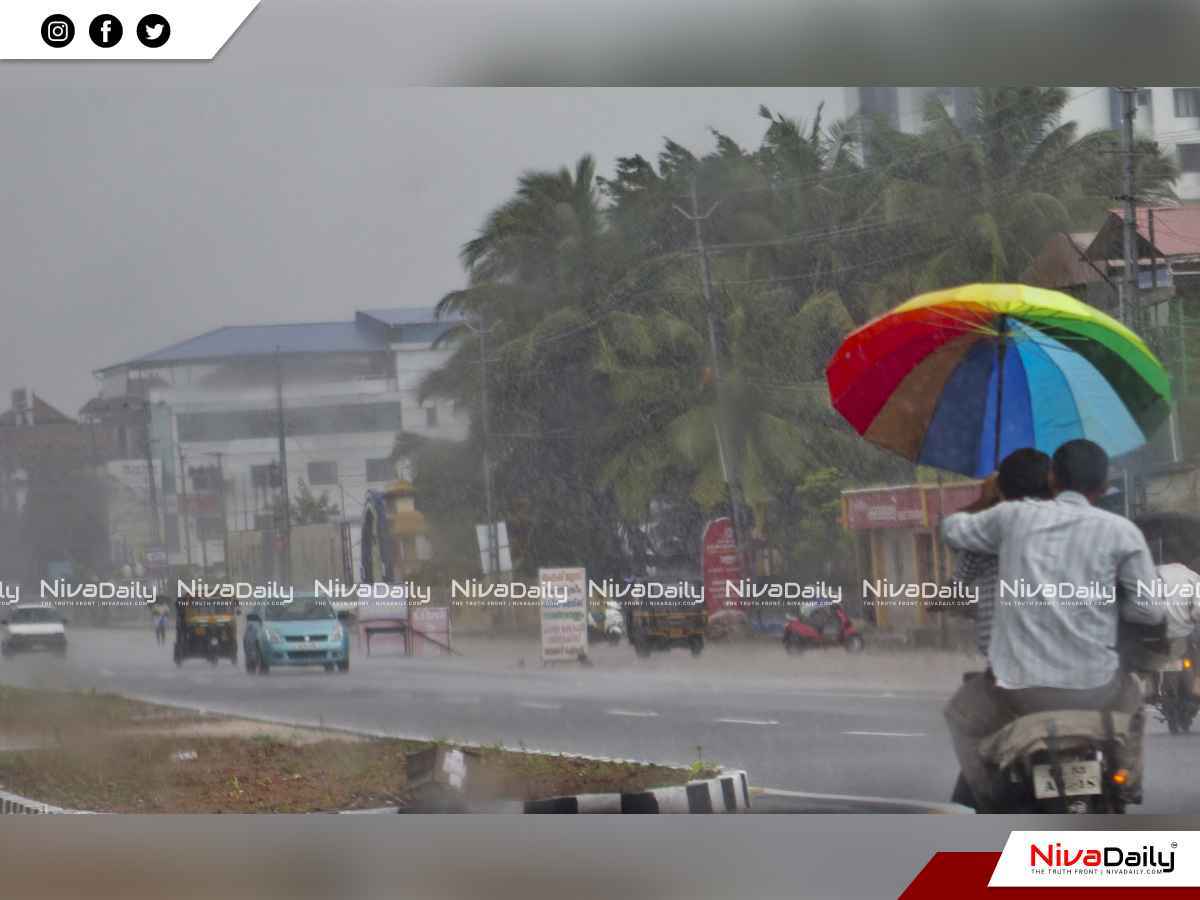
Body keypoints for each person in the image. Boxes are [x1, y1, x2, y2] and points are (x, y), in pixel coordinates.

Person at [941, 439, 1164, 810]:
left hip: (1020, 690)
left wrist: (988, 498)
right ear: (1103, 486)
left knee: (960, 715)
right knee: (1135, 703)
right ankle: (1127, 783)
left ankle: (990, 798)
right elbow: (1150, 611)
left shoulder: (1012, 518)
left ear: (1053, 477)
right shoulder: (1123, 532)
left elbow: (952, 529)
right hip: (1097, 688)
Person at [953, 448, 1054, 659]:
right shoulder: (1073, 530)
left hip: (1003, 660)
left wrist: (985, 501)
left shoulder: (985, 535)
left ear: (1001, 490)